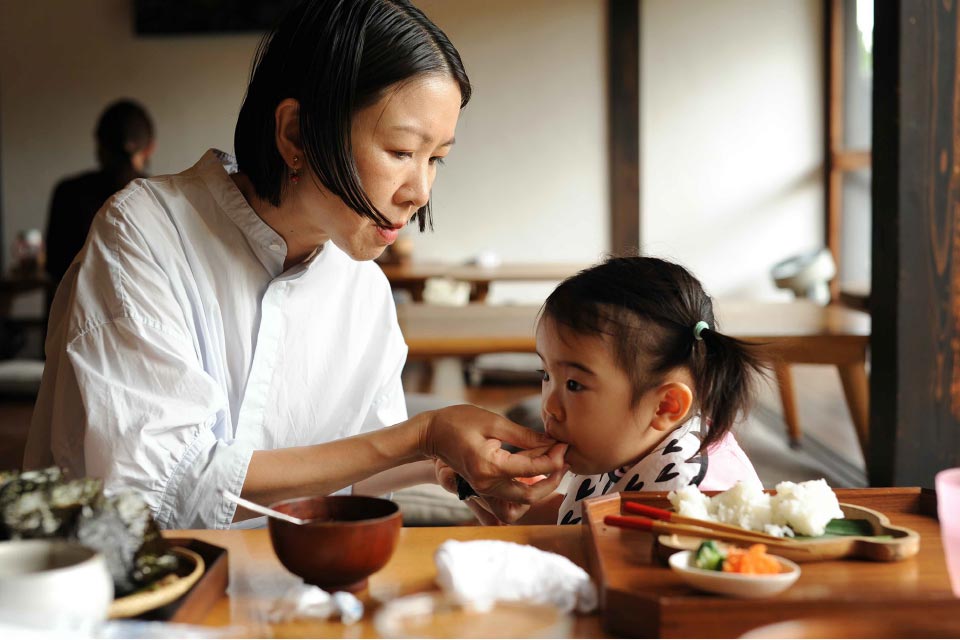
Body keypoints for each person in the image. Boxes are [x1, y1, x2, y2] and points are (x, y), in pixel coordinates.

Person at [24, 0, 565, 529]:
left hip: (287, 595)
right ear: (296, 135)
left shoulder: (362, 288)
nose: (420, 192)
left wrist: (456, 468)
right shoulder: (144, 235)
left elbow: (357, 471)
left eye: (436, 158)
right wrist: (421, 435)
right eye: (401, 151)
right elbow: (160, 492)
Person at [441, 256, 767, 525]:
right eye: (545, 374)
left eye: (574, 384)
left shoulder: (691, 506)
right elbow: (587, 518)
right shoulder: (632, 438)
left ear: (666, 405)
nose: (549, 407)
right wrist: (491, 497)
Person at [44, 100, 155, 309]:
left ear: (100, 146)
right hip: (143, 326)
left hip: (75, 322)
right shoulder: (158, 198)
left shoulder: (67, 193)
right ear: (149, 148)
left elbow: (54, 268)